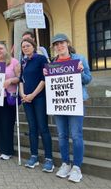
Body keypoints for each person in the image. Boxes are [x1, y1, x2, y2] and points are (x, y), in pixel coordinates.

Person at [45, 33, 92, 183]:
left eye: (61, 43)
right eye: (56, 44)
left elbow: (88, 79)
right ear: (54, 48)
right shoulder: (53, 63)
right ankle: (65, 163)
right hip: (59, 103)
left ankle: (77, 167)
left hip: (76, 102)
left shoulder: (79, 59)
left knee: (76, 135)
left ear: (67, 43)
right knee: (62, 134)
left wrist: (81, 72)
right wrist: (46, 75)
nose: (59, 46)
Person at [19, 38, 54, 172]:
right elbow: (21, 79)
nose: (25, 48)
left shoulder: (41, 59)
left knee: (43, 127)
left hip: (39, 98)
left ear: (33, 46)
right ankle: (34, 156)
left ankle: (49, 158)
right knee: (32, 128)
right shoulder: (24, 62)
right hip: (26, 99)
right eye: (23, 47)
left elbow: (44, 79)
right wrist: (22, 94)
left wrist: (33, 95)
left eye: (28, 46)